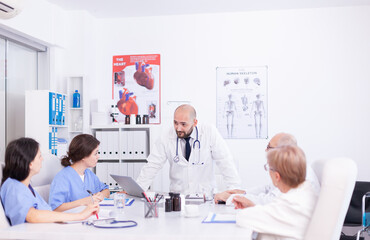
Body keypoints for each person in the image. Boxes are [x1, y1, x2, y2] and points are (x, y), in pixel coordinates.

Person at [136, 104, 241, 195]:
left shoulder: (209, 132)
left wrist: (234, 190)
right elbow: (152, 165)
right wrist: (137, 190)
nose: (178, 128)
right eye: (175, 123)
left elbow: (225, 161)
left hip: (205, 197)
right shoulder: (166, 136)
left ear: (194, 122)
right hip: (178, 198)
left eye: (183, 124)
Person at [0, 137, 99, 226]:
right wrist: (80, 216)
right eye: (39, 156)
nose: (42, 159)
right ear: (29, 163)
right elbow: (32, 216)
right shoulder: (13, 187)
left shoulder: (27, 187)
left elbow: (47, 213)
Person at [234, 145, 318, 240]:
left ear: (277, 176)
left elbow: (243, 218)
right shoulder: (306, 192)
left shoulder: (291, 204)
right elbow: (274, 214)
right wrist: (252, 205)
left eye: (268, 168)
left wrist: (250, 208)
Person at [214, 132, 320, 205]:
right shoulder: (292, 166)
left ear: (281, 150)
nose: (266, 150)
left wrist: (232, 198)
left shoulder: (299, 173)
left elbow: (271, 201)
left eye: (269, 147)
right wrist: (243, 193)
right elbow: (268, 189)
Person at [49, 134, 110, 211]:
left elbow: (106, 190)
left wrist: (101, 195)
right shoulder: (63, 177)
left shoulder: (89, 174)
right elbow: (56, 208)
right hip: (71, 220)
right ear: (83, 156)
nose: (98, 156)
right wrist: (84, 201)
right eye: (95, 153)